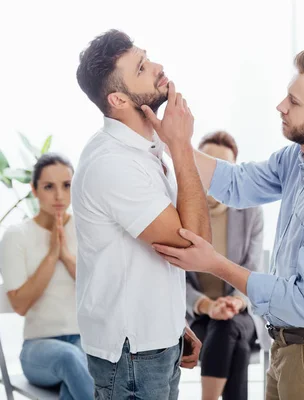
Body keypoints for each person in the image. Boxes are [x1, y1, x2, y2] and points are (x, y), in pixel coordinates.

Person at [150, 50, 304, 400]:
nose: (280, 106)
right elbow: (238, 183)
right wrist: (174, 144)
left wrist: (213, 263)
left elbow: (301, 303)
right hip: (287, 345)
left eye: (294, 101)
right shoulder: (302, 155)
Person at [72, 29, 205, 399]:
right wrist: (181, 147)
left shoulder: (142, 150)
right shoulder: (113, 164)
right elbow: (193, 245)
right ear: (118, 98)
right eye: (143, 68)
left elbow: (139, 262)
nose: (159, 68)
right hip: (131, 357)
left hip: (154, 343)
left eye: (148, 58)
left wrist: (172, 325)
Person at [0, 153, 94, 400]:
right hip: (38, 347)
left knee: (73, 383)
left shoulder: (87, 230)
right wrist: (52, 255)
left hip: (85, 341)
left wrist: (65, 255)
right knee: (70, 359)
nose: (59, 196)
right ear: (34, 190)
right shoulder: (16, 235)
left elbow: (98, 291)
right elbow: (20, 305)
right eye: (49, 187)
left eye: (66, 186)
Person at [187, 131, 266, 400]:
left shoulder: (250, 211)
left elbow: (253, 269)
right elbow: (174, 278)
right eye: (208, 162)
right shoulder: (180, 210)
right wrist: (208, 306)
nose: (215, 173)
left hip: (240, 312)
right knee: (238, 347)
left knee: (228, 326)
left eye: (224, 167)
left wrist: (233, 303)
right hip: (196, 316)